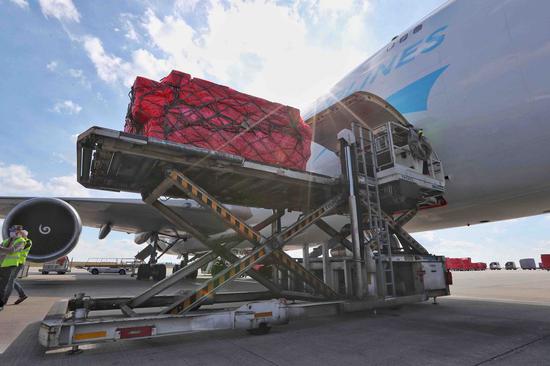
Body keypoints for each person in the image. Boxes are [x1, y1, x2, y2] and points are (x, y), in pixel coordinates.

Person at [0, 225, 32, 310]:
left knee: (10, 281)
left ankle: (4, 300)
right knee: (11, 280)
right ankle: (22, 295)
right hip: (10, 263)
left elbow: (12, 250)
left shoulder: (26, 241)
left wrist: (22, 236)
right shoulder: (12, 240)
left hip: (18, 262)